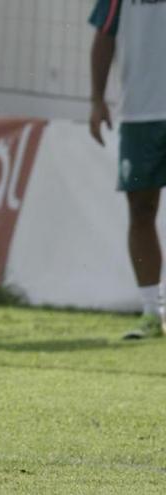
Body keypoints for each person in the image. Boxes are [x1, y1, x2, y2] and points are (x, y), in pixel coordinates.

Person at [89, 0, 166, 340]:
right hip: (139, 116)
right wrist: (96, 98)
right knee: (140, 209)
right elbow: (104, 35)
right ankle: (153, 312)